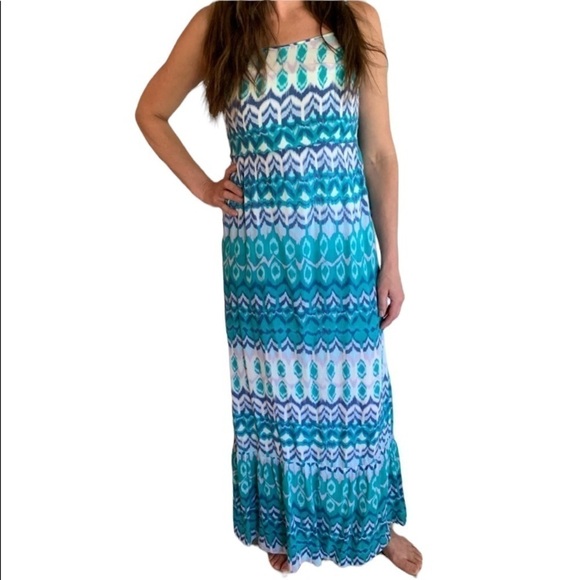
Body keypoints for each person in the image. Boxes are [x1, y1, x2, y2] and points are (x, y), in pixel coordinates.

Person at [135, 0, 422, 576]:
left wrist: (391, 258)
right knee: (275, 395)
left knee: (356, 394)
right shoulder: (217, 25)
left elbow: (378, 151)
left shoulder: (356, 18)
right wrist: (204, 187)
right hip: (260, 261)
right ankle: (284, 522)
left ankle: (371, 524)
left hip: (341, 255)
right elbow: (151, 112)